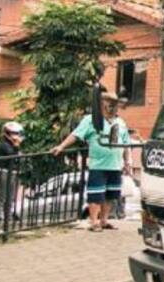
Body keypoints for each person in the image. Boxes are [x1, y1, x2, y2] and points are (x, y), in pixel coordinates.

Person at [51, 89, 131, 231]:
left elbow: (126, 144)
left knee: (110, 194)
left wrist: (128, 161)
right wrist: (61, 146)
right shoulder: (91, 120)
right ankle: (94, 221)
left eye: (114, 103)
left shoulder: (120, 122)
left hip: (115, 165)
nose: (112, 106)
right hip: (98, 165)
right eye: (109, 103)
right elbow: (76, 134)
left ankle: (104, 221)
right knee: (95, 194)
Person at [0, 122, 25, 227]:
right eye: (14, 133)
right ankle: (0, 219)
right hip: (4, 172)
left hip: (13, 173)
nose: (17, 136)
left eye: (17, 133)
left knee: (10, 197)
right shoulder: (5, 145)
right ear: (7, 134)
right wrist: (16, 146)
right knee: (2, 197)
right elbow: (11, 155)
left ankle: (8, 217)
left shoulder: (13, 146)